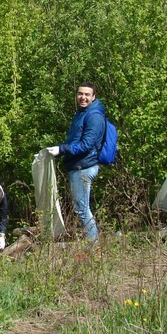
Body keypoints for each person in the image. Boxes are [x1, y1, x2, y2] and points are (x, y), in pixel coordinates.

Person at [46, 82, 105, 241]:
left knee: (82, 209)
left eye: (87, 95)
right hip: (79, 165)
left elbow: (86, 145)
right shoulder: (82, 113)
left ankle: (94, 246)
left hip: (84, 167)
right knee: (81, 208)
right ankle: (91, 242)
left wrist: (62, 149)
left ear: (93, 97)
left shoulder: (94, 116)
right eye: (80, 94)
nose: (83, 97)